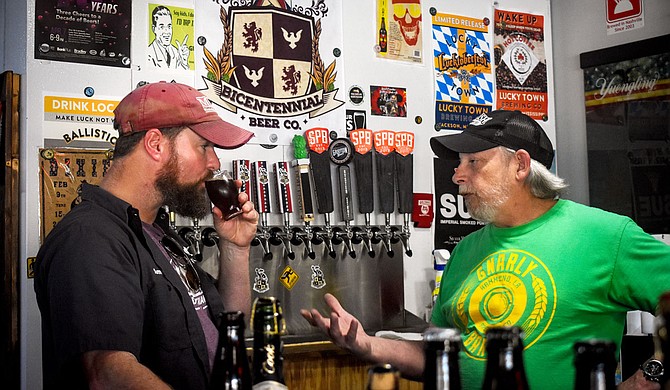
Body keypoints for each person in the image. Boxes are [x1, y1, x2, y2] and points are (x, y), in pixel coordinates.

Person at [301, 110, 670, 389]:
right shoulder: (465, 251)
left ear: (521, 165)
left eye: (473, 162)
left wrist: (649, 377)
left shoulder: (605, 235)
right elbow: (439, 357)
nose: (457, 176)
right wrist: (367, 345)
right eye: (459, 163)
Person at [34, 81, 257, 389]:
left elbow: (231, 322)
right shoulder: (90, 238)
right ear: (155, 144)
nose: (215, 163)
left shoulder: (158, 232)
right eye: (204, 146)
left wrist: (235, 246)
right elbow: (108, 374)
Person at [148, 5, 190, 70]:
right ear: (154, 29)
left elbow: (183, 78)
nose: (167, 32)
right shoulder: (149, 54)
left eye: (169, 26)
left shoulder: (176, 52)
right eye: (162, 27)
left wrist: (184, 63)